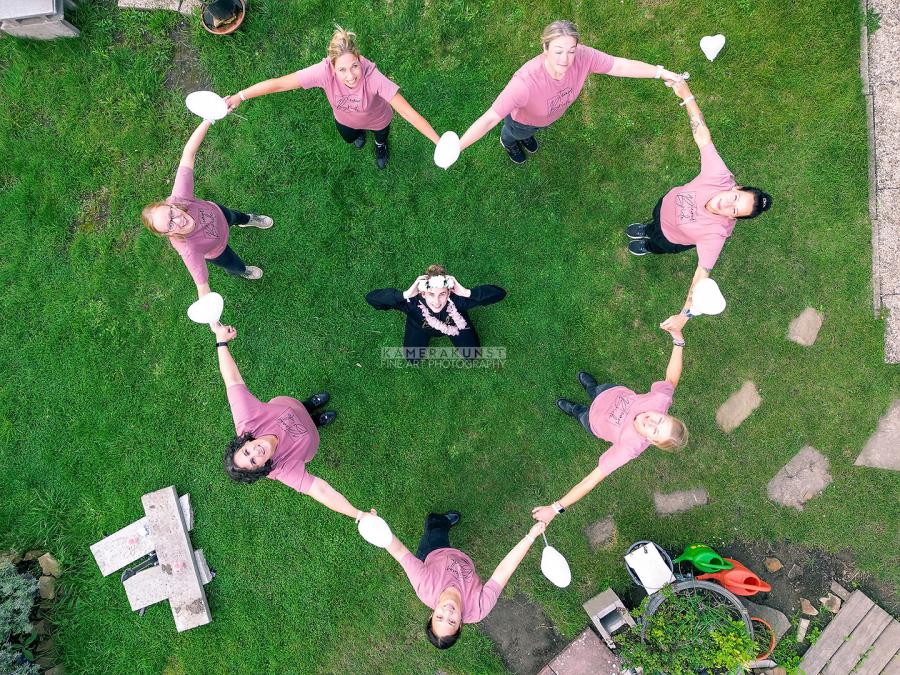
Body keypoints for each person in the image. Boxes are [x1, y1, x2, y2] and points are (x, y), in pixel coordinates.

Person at [625, 78, 772, 333]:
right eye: (736, 198)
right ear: (735, 188)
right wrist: (687, 95)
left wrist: (684, 317)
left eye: (735, 210)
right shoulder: (720, 176)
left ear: (734, 218)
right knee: (653, 218)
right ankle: (647, 228)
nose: (728, 204)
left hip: (670, 238)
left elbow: (700, 279)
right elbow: (702, 136)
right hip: (665, 206)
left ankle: (648, 244)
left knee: (656, 243)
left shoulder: (716, 235)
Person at [458, 20, 683, 164]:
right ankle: (508, 142)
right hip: (522, 121)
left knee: (533, 131)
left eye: (571, 51)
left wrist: (660, 73)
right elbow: (489, 119)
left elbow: (619, 65)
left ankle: (526, 137)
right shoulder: (524, 83)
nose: (565, 60)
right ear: (544, 48)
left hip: (545, 118)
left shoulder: (583, 57)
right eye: (557, 51)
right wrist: (458, 147)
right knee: (515, 132)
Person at [213, 323, 375, 523]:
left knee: (301, 408)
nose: (256, 453)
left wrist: (221, 341)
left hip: (289, 406)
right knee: (310, 428)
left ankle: (309, 404)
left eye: (247, 452)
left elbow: (232, 380)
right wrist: (358, 515)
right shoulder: (282, 470)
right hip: (309, 440)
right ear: (261, 468)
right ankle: (317, 422)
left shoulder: (247, 420)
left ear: (243, 443)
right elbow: (320, 491)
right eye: (254, 462)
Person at [225, 25, 440, 169]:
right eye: (342, 70)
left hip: (378, 120)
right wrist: (240, 96)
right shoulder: (323, 72)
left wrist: (439, 142)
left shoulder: (373, 77)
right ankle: (358, 136)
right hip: (345, 121)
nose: (351, 76)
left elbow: (407, 112)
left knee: (381, 136)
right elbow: (280, 83)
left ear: (359, 59)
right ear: (332, 66)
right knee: (350, 137)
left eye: (354, 66)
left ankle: (380, 145)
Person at [532, 327, 688, 525]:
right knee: (596, 389)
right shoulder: (660, 400)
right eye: (661, 419)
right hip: (610, 393)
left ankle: (575, 409)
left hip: (594, 422)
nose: (650, 421)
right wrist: (678, 340)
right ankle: (591, 388)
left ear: (651, 441)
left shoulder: (629, 449)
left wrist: (555, 509)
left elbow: (591, 480)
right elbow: (672, 379)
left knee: (581, 415)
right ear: (665, 413)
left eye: (655, 430)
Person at [141, 120, 272, 298]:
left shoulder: (180, 199)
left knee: (237, 216)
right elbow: (202, 286)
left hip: (219, 214)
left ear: (170, 205)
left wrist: (208, 119)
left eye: (171, 213)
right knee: (234, 265)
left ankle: (249, 220)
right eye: (170, 225)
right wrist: (214, 325)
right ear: (167, 234)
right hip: (218, 250)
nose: (178, 219)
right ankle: (243, 271)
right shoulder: (188, 249)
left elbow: (189, 153)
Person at [381, 511, 546, 649]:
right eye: (451, 621)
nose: (447, 612)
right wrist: (530, 537)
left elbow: (399, 552)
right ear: (460, 624)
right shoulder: (479, 608)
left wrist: (374, 527)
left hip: (434, 552)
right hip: (461, 562)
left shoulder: (425, 585)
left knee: (436, 529)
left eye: (439, 617)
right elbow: (504, 570)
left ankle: (440, 521)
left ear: (431, 615)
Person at [365, 265, 506, 364]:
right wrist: (405, 294)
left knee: (472, 355)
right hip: (420, 327)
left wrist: (467, 293)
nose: (437, 302)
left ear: (449, 292)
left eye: (442, 294)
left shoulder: (458, 300)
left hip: (457, 325)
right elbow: (371, 298)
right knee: (412, 358)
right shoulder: (411, 302)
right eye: (431, 294)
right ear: (422, 292)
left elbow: (500, 294)